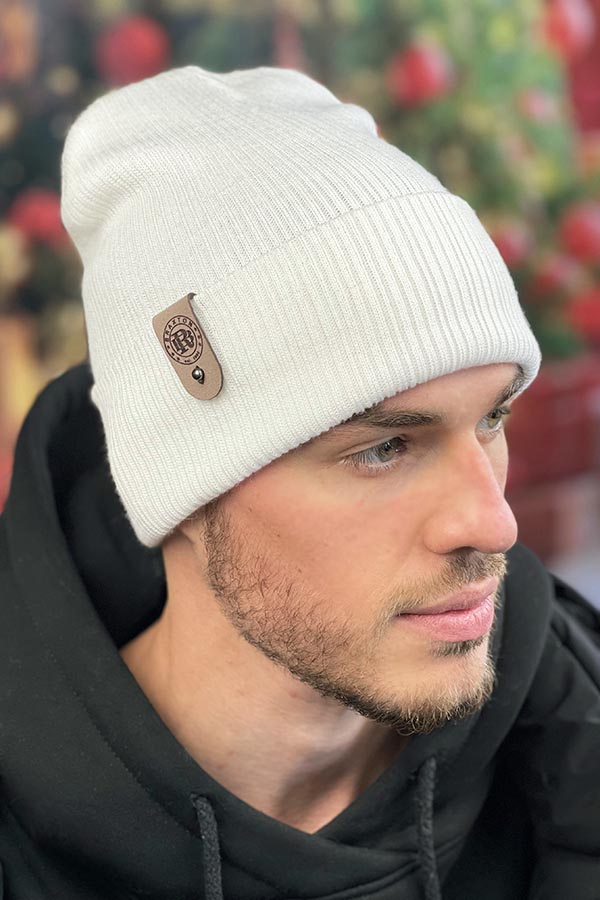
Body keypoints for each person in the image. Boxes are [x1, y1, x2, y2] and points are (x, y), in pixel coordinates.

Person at [1, 65, 599, 900]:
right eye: (384, 449)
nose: (493, 523)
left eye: (491, 418)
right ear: (186, 485)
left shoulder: (574, 728)